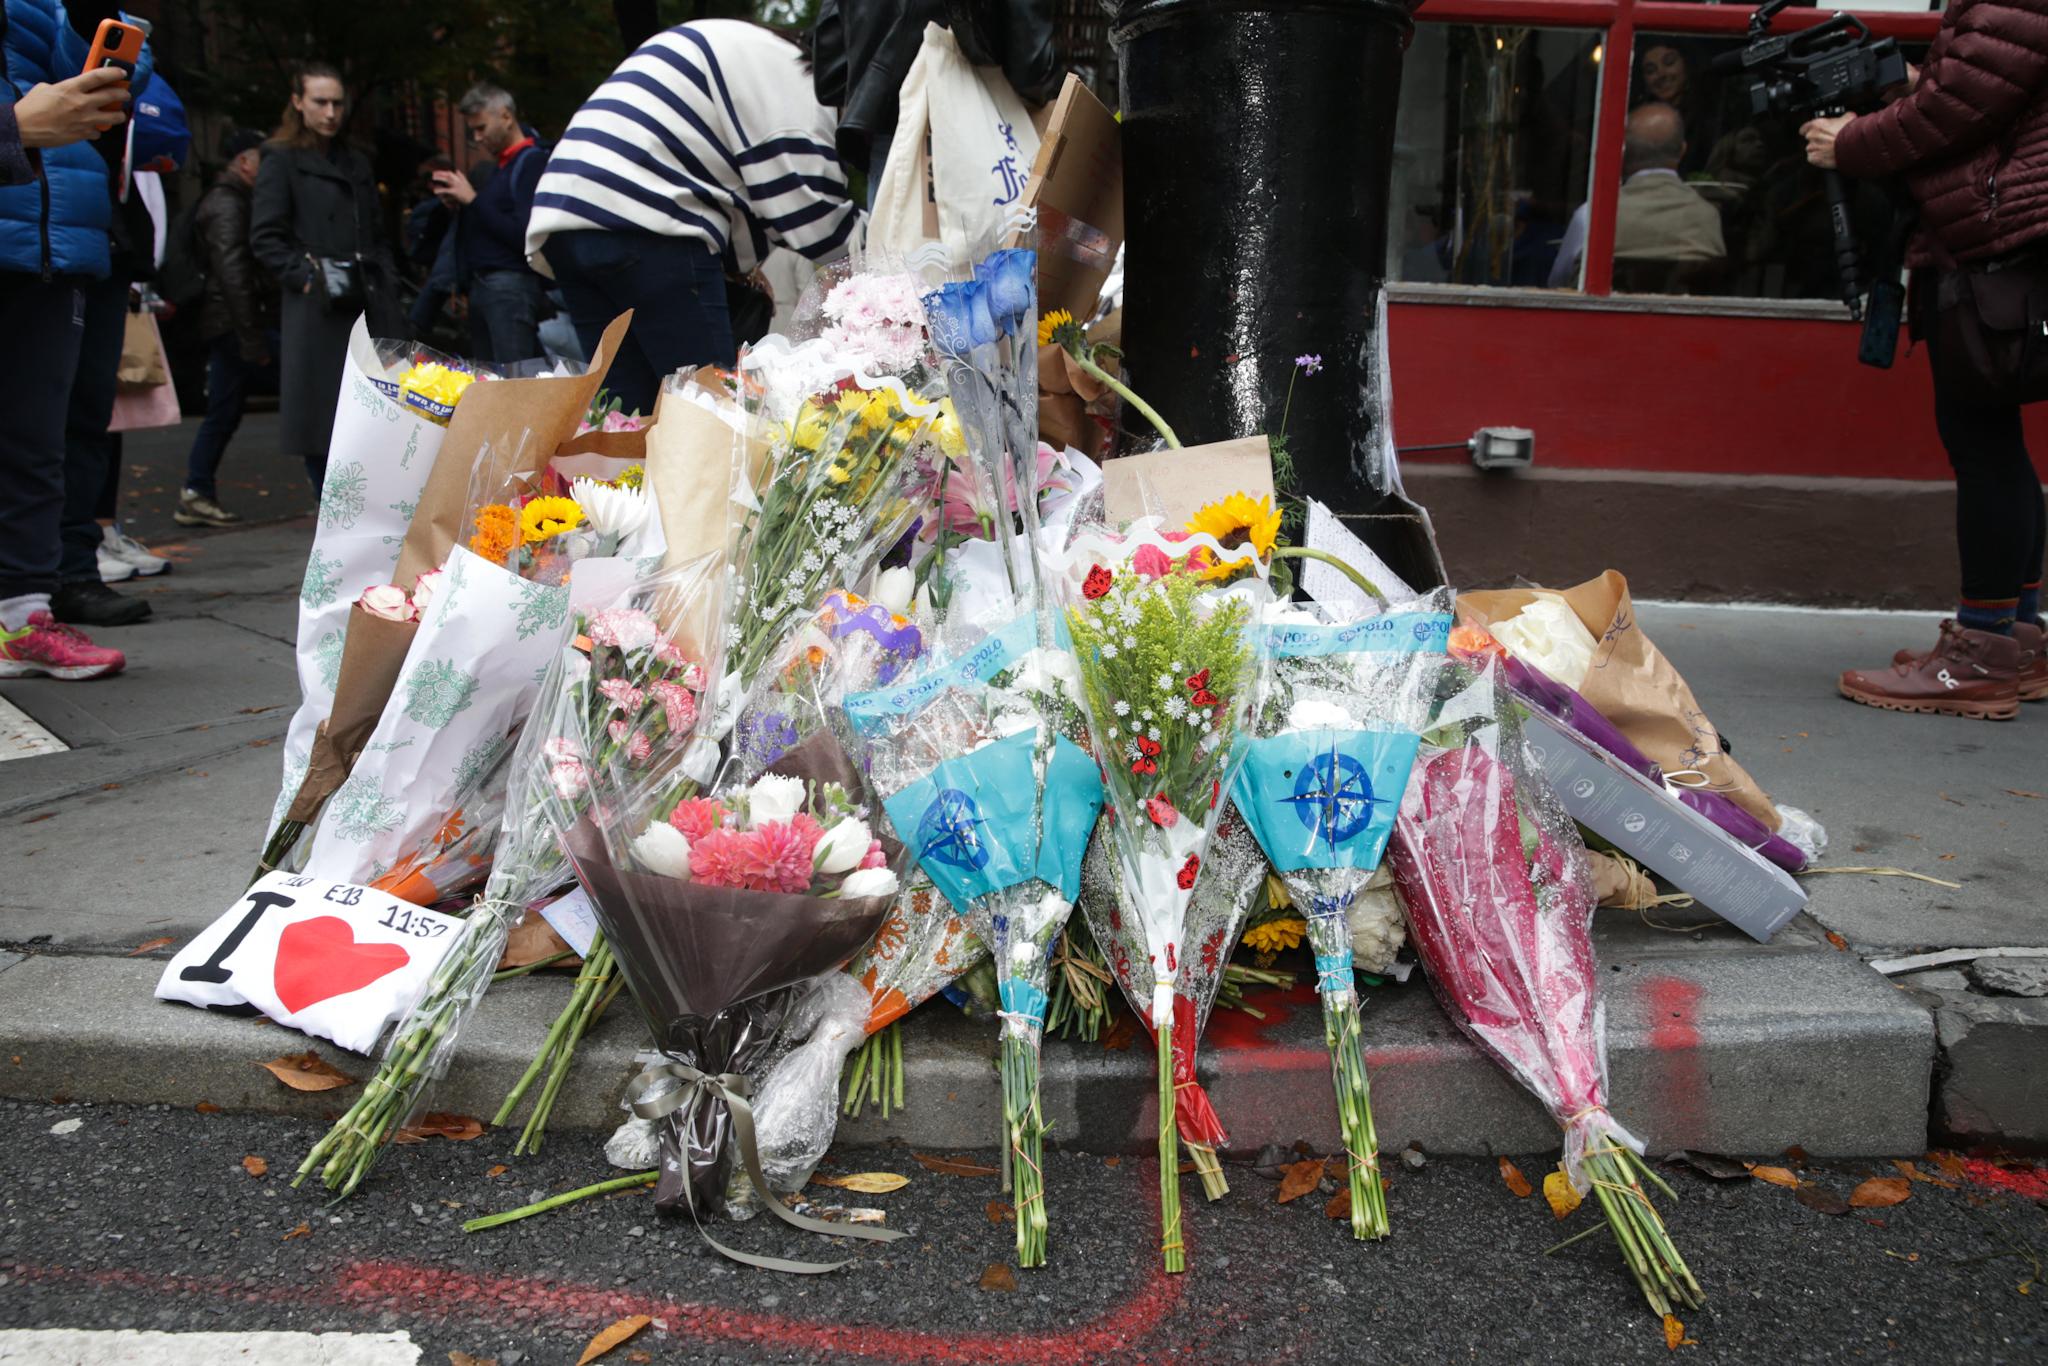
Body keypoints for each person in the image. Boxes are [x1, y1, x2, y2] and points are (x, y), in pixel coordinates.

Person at [1804, 0, 2048, 718]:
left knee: (1981, 442)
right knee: (1995, 440)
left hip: (1993, 249)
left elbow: (1951, 113)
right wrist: (1909, 85)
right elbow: (1980, 96)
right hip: (2001, 243)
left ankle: (1981, 654)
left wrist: (1850, 141)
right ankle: (2018, 634)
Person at [526, 19, 859, 413]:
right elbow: (818, 224)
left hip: (567, 214)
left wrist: (743, 264)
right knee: (709, 416)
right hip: (645, 220)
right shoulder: (803, 83)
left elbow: (720, 169)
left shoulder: (750, 49)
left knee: (629, 418)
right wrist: (901, 255)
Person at [0, 0, 148, 674]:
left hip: (52, 246)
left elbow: (114, 91)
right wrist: (11, 130)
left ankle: (23, 618)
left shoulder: (40, 5)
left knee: (37, 443)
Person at [250, 62, 401, 493]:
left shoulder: (356, 160)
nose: (331, 112)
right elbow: (265, 238)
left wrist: (385, 283)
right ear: (298, 102)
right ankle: (331, 517)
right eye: (320, 102)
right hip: (318, 308)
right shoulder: (279, 159)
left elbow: (376, 234)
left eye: (337, 102)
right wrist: (307, 279)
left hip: (367, 301)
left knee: (376, 417)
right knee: (324, 426)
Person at [812, 1, 1057, 195]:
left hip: (888, 147)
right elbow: (1030, 68)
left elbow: (831, 74)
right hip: (974, 140)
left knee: (892, 254)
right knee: (994, 255)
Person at [177, 128, 274, 528]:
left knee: (224, 410)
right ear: (244, 162)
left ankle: (196, 491)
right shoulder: (227, 204)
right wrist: (252, 337)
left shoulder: (233, 200)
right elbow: (233, 271)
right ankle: (195, 490)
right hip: (234, 323)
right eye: (262, 160)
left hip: (230, 322)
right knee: (310, 396)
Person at [1549, 103, 1725, 293]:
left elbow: (1557, 284)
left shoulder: (1591, 216)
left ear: (1623, 153)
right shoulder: (1708, 216)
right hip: (1684, 323)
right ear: (1682, 150)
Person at [434, 83, 546, 365]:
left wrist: (473, 200)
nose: (477, 137)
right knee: (493, 379)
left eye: (481, 127)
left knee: (512, 380)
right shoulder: (503, 167)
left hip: (509, 287)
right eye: (473, 130)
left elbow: (525, 235)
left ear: (506, 117)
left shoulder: (531, 162)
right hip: (487, 287)